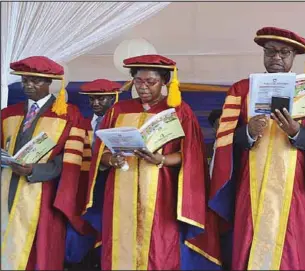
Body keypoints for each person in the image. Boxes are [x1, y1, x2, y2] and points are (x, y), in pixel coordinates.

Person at [209, 26, 305, 270]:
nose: (276, 58)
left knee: (294, 248)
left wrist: (296, 131)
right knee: (248, 242)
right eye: (270, 51)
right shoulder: (241, 90)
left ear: (294, 56)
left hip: (296, 187)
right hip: (250, 185)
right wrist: (249, 132)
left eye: (283, 53)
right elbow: (225, 143)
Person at [82, 54, 221, 270]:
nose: (143, 87)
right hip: (120, 191)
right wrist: (112, 160)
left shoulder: (179, 112)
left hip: (161, 192)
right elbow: (101, 155)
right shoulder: (118, 110)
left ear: (164, 82)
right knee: (119, 242)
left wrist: (162, 159)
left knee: (160, 245)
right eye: (138, 81)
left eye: (150, 82)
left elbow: (191, 157)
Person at [1, 56, 89, 270]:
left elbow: (72, 160)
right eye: (24, 80)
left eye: (35, 81)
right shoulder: (7, 114)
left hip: (45, 195)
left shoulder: (70, 115)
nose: (28, 85)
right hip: (6, 191)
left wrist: (37, 170)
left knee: (40, 252)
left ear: (50, 82)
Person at [64, 79, 123, 270]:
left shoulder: (123, 127)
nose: (95, 103)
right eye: (91, 99)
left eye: (101, 99)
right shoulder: (82, 126)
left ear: (114, 98)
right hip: (84, 188)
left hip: (110, 189)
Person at [207, 109, 222, 176]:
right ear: (214, 128)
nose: (222, 129)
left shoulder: (236, 149)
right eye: (219, 125)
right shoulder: (206, 150)